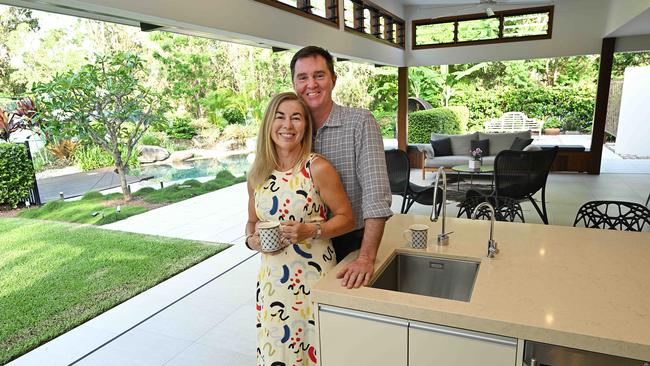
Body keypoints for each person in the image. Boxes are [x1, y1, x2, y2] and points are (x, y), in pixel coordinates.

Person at [245, 92, 355, 365]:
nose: (287, 125)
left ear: (306, 126)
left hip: (312, 280)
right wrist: (252, 241)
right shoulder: (258, 172)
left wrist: (312, 231)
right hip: (272, 285)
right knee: (277, 355)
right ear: (269, 123)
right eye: (280, 117)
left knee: (314, 352)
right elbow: (251, 222)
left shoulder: (317, 168)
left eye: (296, 118)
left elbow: (347, 218)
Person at [291, 46, 392, 289]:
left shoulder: (360, 122)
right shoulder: (289, 128)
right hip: (302, 246)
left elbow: (376, 196)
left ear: (333, 80)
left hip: (349, 244)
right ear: (294, 84)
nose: (311, 84)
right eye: (302, 77)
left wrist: (366, 258)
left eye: (319, 75)